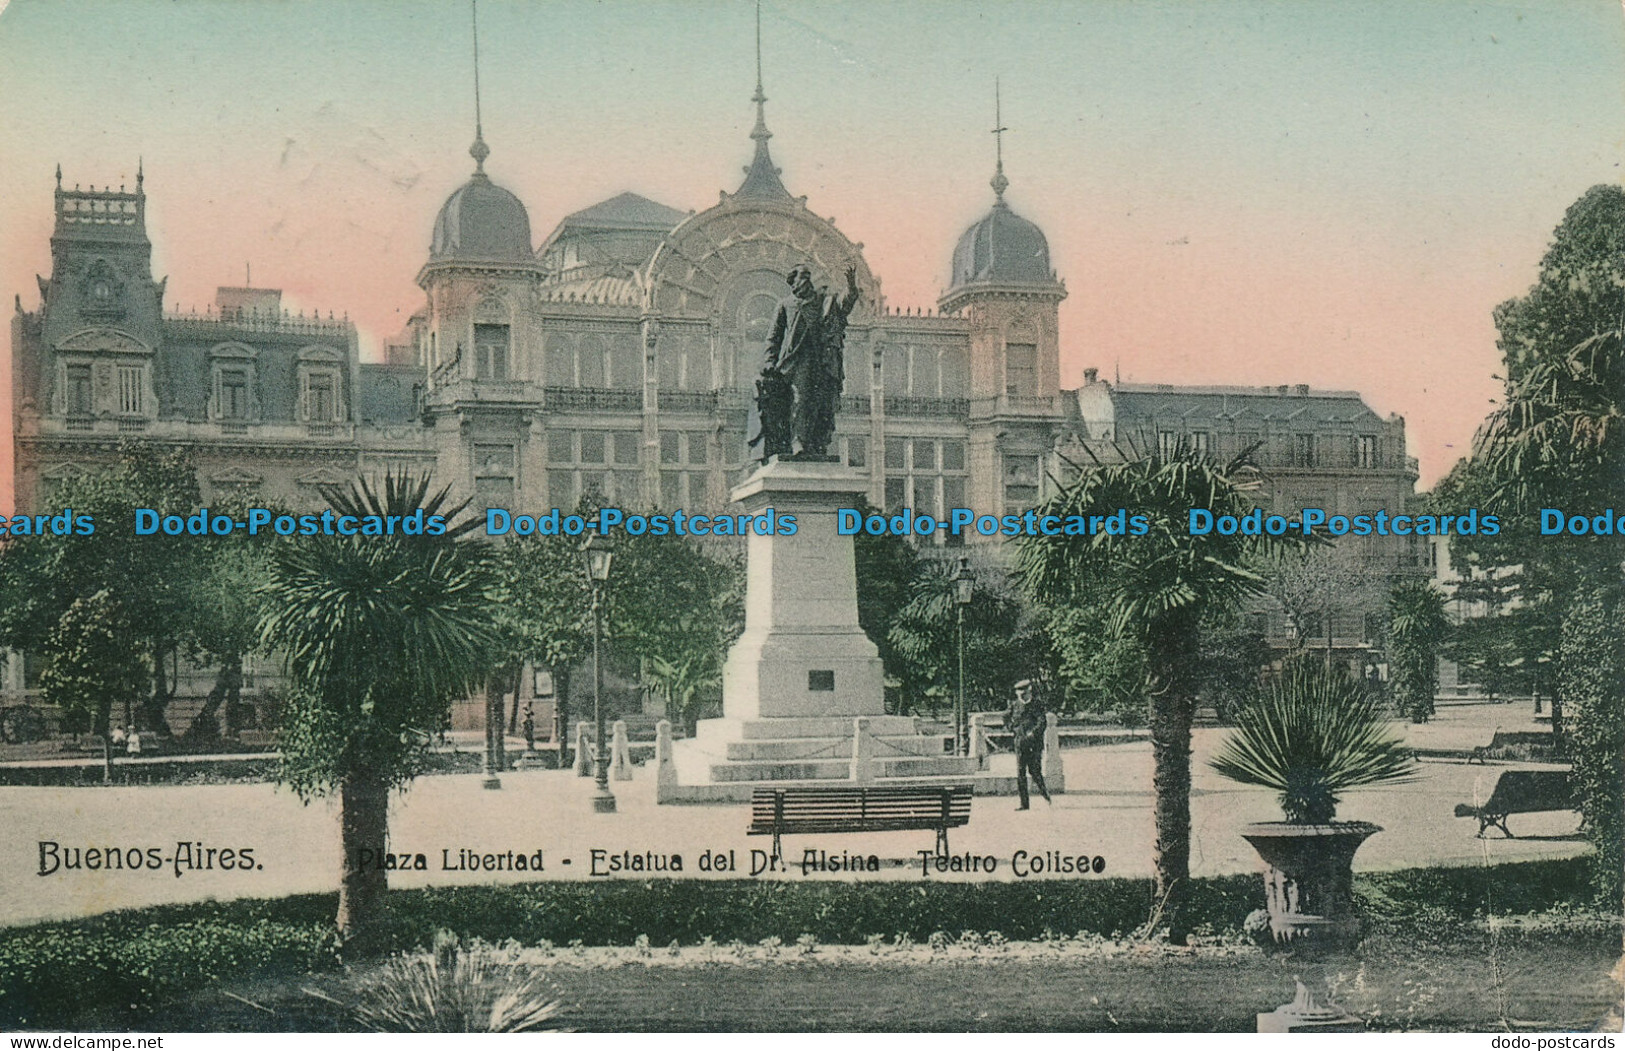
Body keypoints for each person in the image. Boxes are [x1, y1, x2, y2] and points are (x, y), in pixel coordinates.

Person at [756, 263, 860, 458]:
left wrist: (851, 285)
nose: (806, 280)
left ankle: (818, 443)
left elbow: (844, 304)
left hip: (822, 360)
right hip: (796, 361)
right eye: (801, 276)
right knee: (801, 399)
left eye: (807, 276)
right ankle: (798, 442)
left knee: (822, 403)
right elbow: (774, 337)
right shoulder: (786, 304)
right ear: (793, 282)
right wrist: (769, 361)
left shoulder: (824, 301)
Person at [1007, 679, 1051, 810]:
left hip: (1034, 745)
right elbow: (1006, 717)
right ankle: (1024, 804)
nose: (1020, 695)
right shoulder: (1015, 705)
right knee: (1020, 773)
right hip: (1020, 744)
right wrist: (1012, 729)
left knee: (1035, 771)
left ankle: (1045, 794)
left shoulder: (1037, 704)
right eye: (1018, 692)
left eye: (1023, 692)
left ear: (1028, 691)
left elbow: (1042, 722)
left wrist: (1034, 733)